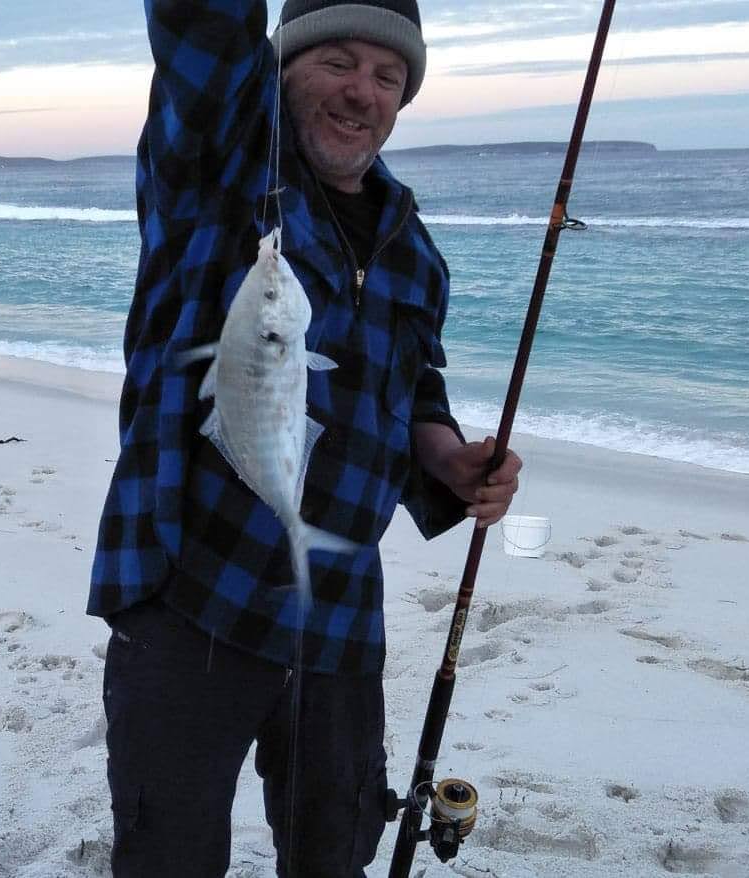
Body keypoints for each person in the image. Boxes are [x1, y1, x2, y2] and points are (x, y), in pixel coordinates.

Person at [89, 1, 523, 874]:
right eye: (339, 61)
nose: (363, 91)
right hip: (191, 592)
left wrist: (447, 455)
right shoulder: (219, 166)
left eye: (388, 76)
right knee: (167, 850)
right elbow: (202, 35)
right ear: (282, 67)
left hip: (340, 612)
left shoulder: (411, 243)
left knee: (335, 848)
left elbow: (414, 386)